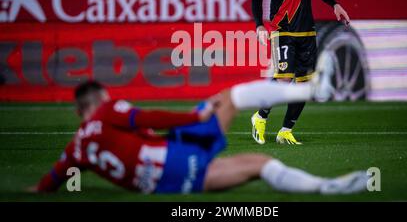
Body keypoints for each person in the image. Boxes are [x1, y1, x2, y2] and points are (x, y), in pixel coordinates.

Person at [31, 71, 368, 195]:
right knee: (230, 98)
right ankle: (311, 91)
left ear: (78, 111)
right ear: (101, 97)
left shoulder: (75, 148)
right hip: (172, 155)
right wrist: (193, 116)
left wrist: (35, 189)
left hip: (168, 184)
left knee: (257, 163)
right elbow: (147, 115)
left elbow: (50, 181)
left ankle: (327, 189)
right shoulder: (106, 109)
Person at [251, 0, 351, 145]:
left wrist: (335, 4)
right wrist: (258, 25)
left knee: (305, 85)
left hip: (307, 30)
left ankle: (285, 131)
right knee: (285, 79)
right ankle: (261, 115)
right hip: (282, 28)